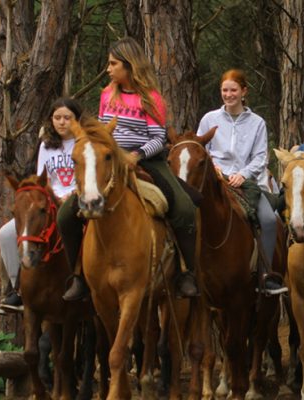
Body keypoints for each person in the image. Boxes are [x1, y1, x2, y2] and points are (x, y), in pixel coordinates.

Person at [58, 37, 199, 300]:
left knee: (184, 208)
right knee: (66, 215)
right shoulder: (106, 94)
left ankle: (186, 272)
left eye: (113, 64)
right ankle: (78, 275)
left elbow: (159, 138)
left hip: (146, 159)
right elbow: (101, 131)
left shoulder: (152, 98)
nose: (108, 69)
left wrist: (136, 155)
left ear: (129, 65)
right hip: (110, 159)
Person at [197, 68, 287, 295]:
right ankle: (188, 270)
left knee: (268, 220)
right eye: (224, 90)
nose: (228, 95)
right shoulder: (210, 119)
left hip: (245, 182)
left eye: (233, 90)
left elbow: (260, 156)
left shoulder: (257, 122)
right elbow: (200, 149)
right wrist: (214, 168)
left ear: (244, 91)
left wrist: (243, 174)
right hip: (215, 179)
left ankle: (266, 275)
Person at [0, 97, 83, 314]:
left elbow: (87, 176)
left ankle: (83, 282)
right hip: (48, 202)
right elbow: (42, 178)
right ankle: (18, 289)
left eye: (67, 118)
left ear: (77, 120)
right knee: (6, 234)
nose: (62, 122)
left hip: (77, 200)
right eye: (57, 118)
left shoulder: (85, 143)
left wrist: (73, 194)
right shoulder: (46, 145)